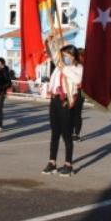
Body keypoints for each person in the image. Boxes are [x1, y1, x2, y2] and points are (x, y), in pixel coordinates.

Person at [40, 45, 83, 177]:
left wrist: (64, 69)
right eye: (62, 55)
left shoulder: (78, 68)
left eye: (66, 55)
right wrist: (49, 42)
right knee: (55, 133)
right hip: (55, 100)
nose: (64, 58)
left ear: (73, 55)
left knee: (66, 134)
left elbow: (78, 80)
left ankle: (68, 164)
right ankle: (52, 162)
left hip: (66, 100)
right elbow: (51, 53)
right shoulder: (59, 67)